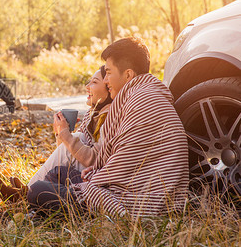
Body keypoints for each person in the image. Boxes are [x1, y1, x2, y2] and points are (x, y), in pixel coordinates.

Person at [27, 37, 189, 217]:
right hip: (135, 190)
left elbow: (126, 168)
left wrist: (98, 175)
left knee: (38, 190)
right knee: (60, 173)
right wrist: (98, 170)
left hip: (133, 201)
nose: (106, 81)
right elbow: (123, 153)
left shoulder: (139, 101)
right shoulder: (147, 93)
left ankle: (30, 203)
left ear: (128, 74)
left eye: (109, 73)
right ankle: (33, 211)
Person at [0, 65, 112, 202]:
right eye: (89, 81)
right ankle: (27, 193)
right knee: (71, 148)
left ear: (109, 89)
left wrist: (65, 134)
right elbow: (64, 154)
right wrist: (59, 133)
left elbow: (92, 159)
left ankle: (25, 195)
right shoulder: (93, 114)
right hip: (87, 171)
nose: (87, 86)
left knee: (78, 138)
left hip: (96, 177)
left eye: (94, 82)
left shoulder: (109, 116)